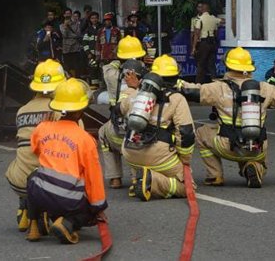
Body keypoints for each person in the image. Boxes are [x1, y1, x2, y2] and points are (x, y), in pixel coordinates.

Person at [179, 47, 275, 188]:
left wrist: (172, 81)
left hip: (227, 146)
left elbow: (191, 91)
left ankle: (215, 175)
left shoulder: (219, 88)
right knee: (257, 159)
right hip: (257, 148)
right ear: (250, 67)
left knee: (202, 133)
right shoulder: (264, 88)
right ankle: (253, 167)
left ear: (228, 66)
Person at [25, 78, 107, 244]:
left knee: (32, 178)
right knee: (89, 210)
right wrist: (98, 208)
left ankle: (33, 225)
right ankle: (66, 224)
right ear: (80, 111)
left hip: (39, 194)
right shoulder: (85, 139)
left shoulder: (42, 127)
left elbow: (35, 149)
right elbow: (93, 179)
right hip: (67, 201)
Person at [5, 59, 68, 232]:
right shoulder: (59, 110)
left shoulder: (22, 110)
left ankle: (26, 205)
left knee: (24, 156)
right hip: (45, 183)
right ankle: (52, 211)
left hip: (18, 181)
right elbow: (78, 145)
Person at [121, 55, 195, 201]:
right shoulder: (176, 99)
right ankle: (151, 181)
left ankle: (138, 179)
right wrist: (184, 159)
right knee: (188, 187)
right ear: (175, 77)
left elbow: (120, 109)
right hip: (160, 156)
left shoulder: (137, 94)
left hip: (130, 151)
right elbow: (186, 133)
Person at [98, 36, 147, 189]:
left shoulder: (110, 74)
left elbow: (108, 67)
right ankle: (136, 178)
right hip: (144, 133)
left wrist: (116, 61)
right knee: (136, 138)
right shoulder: (146, 76)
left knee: (102, 133)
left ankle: (115, 178)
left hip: (119, 131)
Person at [190, 2, 220, 84]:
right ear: (209, 10)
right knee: (212, 64)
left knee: (201, 64)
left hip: (204, 43)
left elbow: (196, 34)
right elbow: (216, 32)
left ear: (203, 10)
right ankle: (215, 82)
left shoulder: (200, 19)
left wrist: (193, 48)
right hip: (212, 42)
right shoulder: (213, 19)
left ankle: (199, 84)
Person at [59, 8, 83, 77]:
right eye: (66, 13)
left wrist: (71, 36)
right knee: (68, 66)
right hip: (66, 48)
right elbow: (64, 35)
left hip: (75, 47)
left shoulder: (76, 23)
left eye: (69, 13)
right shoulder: (61, 25)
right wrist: (66, 27)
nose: (68, 15)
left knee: (77, 66)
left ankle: (77, 79)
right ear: (64, 15)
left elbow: (78, 34)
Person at [81, 12, 102, 86]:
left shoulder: (102, 28)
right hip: (92, 54)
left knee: (101, 69)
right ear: (90, 19)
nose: (94, 19)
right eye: (92, 18)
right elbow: (84, 43)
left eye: (96, 18)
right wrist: (88, 53)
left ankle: (101, 85)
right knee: (92, 69)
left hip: (101, 54)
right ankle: (94, 86)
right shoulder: (88, 30)